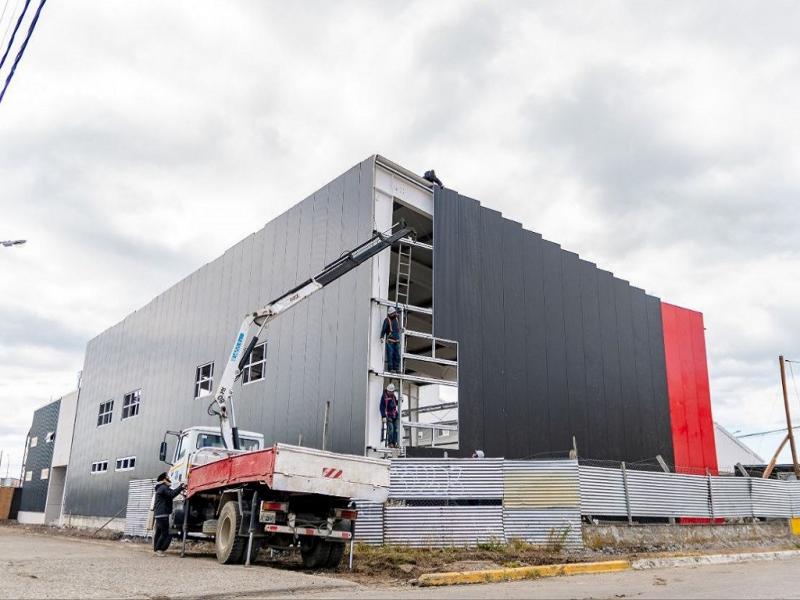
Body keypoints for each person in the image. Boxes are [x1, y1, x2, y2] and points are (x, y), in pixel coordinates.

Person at [153, 472, 186, 556]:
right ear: (164, 479)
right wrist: (181, 487)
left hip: (159, 514)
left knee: (159, 532)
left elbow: (173, 492)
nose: (169, 478)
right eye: (168, 477)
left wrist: (180, 488)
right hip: (163, 513)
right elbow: (172, 494)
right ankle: (159, 549)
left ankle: (156, 549)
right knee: (165, 533)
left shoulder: (161, 488)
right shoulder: (164, 488)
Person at [380, 306, 402, 372]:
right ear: (389, 314)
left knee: (397, 356)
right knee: (390, 355)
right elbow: (384, 329)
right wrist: (382, 337)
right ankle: (391, 368)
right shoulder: (387, 320)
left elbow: (398, 328)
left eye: (394, 313)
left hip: (397, 341)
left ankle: (396, 368)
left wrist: (402, 329)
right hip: (390, 341)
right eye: (393, 313)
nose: (394, 314)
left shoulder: (396, 319)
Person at [380, 383, 400, 448]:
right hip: (389, 415)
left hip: (395, 415)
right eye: (390, 391)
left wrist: (399, 401)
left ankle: (394, 443)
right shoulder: (384, 397)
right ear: (388, 390)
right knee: (391, 429)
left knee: (396, 429)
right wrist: (383, 416)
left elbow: (395, 403)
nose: (391, 393)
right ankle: (390, 443)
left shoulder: (393, 396)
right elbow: (382, 406)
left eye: (392, 392)